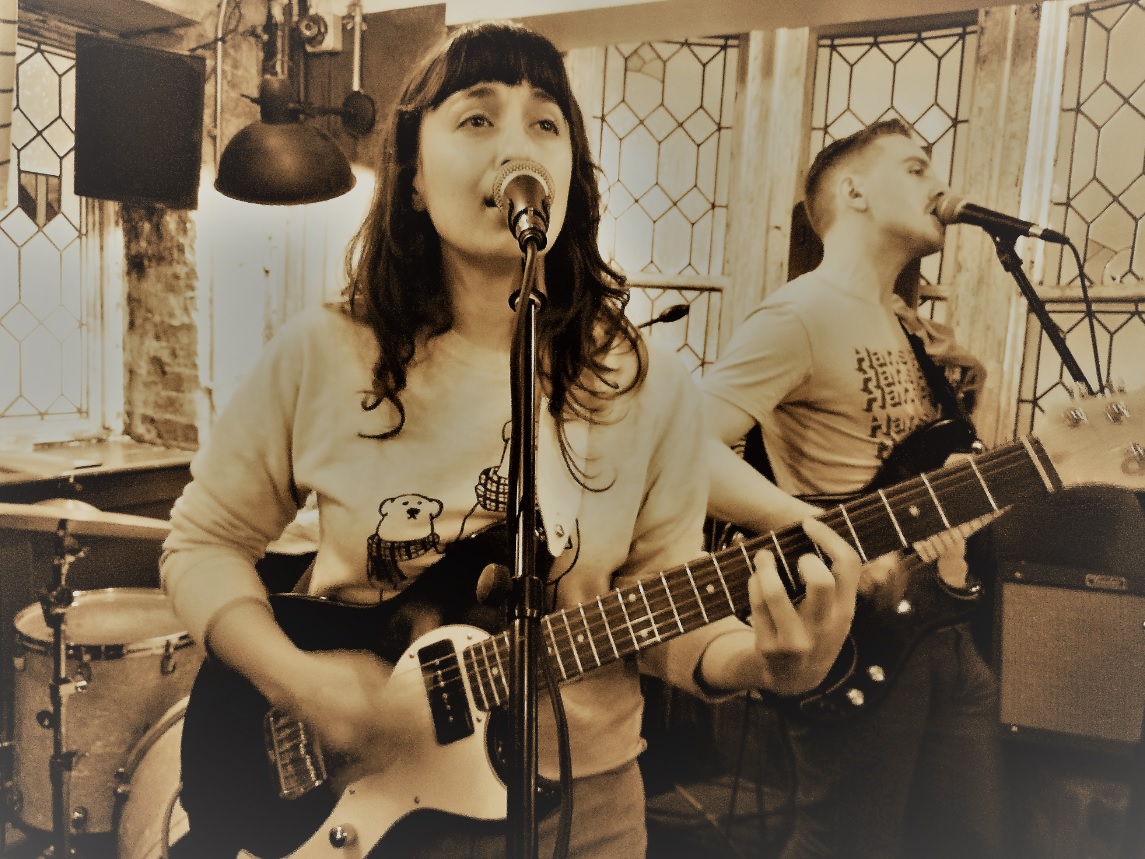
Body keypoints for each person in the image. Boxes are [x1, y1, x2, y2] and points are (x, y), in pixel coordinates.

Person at [160, 21, 861, 859]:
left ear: (570, 178)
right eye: (477, 117)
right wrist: (296, 678)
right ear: (415, 179)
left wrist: (767, 664)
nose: (518, 146)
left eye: (545, 122)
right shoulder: (324, 351)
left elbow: (662, 607)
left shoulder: (645, 383)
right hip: (373, 798)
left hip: (588, 813)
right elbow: (203, 542)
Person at [701, 118, 1005, 859]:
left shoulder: (903, 326)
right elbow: (683, 447)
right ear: (854, 191)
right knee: (845, 844)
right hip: (862, 630)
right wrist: (822, 534)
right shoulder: (797, 315)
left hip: (944, 622)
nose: (938, 185)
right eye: (915, 167)